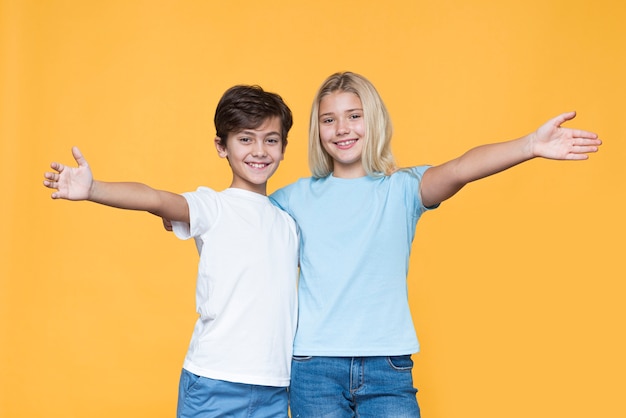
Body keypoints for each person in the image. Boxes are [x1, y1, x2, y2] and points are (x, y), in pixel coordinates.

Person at [269, 71, 602, 418]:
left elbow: (460, 169)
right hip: (314, 366)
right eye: (329, 119)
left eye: (355, 116)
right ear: (316, 129)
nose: (342, 128)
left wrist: (530, 145)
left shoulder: (403, 189)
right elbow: (247, 227)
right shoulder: (294, 198)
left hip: (388, 366)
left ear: (374, 120)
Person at [42, 85, 299, 418]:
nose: (260, 150)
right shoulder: (213, 206)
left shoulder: (287, 221)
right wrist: (93, 189)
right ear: (222, 146)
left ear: (283, 147)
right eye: (245, 139)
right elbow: (156, 199)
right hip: (213, 383)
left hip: (275, 387)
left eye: (271, 139)